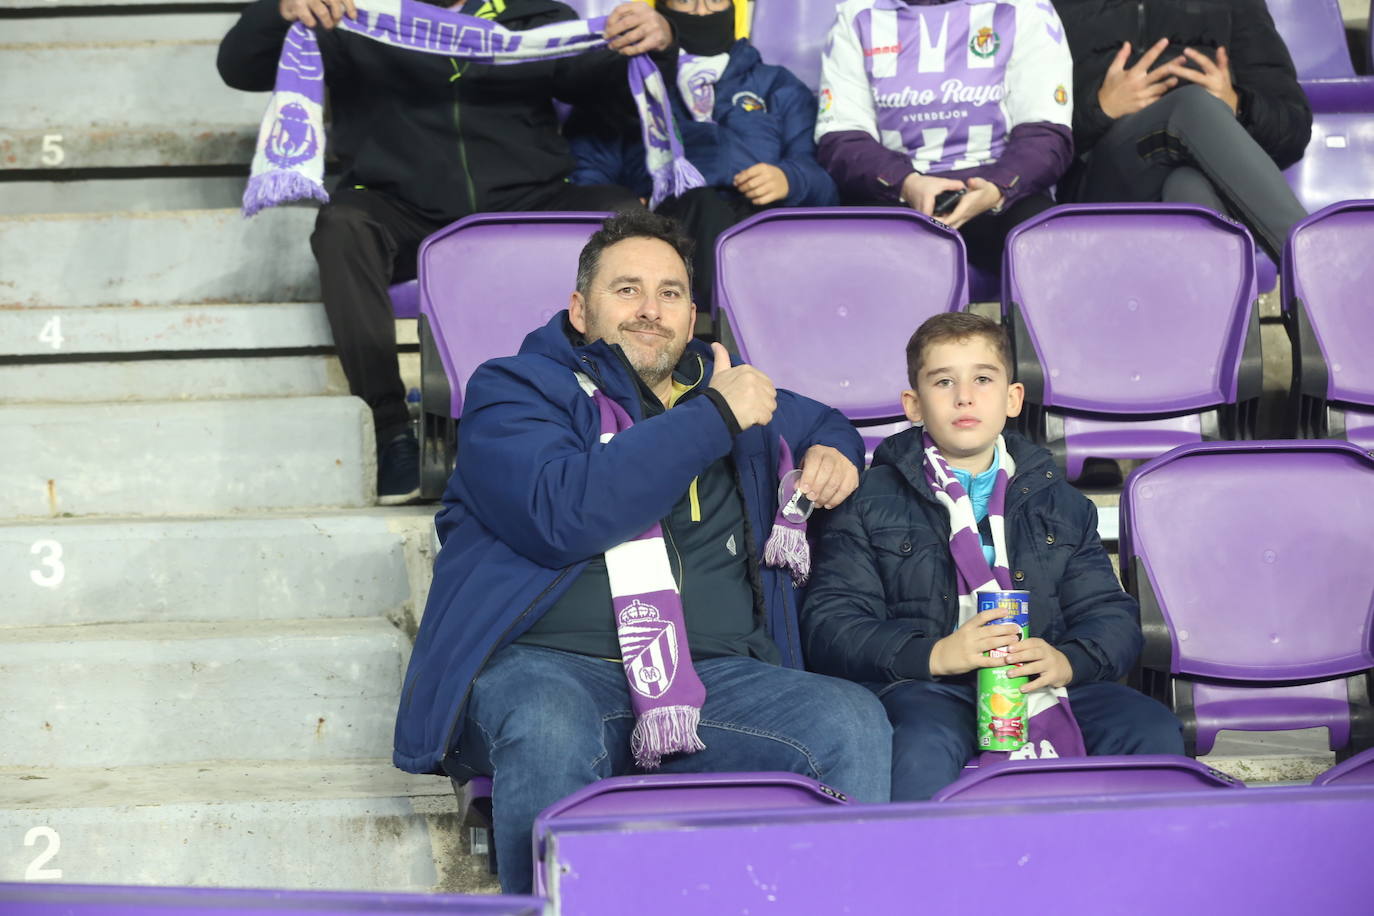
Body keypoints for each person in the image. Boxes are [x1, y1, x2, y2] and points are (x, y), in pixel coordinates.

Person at [392, 209, 892, 893]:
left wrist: (834, 446)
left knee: (850, 720)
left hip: (712, 679)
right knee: (546, 724)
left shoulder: (722, 387)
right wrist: (712, 416)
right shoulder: (515, 389)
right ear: (579, 310)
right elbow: (563, 514)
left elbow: (826, 419)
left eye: (671, 293)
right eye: (626, 290)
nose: (649, 310)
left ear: (692, 319)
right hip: (551, 669)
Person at [217, 0, 673, 504]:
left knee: (624, 220)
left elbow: (600, 79)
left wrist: (650, 38)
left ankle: (636, 406)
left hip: (525, 200)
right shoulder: (351, 10)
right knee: (343, 225)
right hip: (402, 204)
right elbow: (239, 66)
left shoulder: (529, 10)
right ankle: (390, 428)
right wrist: (281, 10)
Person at [801, 312, 1182, 801]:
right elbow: (832, 624)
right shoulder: (866, 502)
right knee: (917, 747)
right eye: (944, 382)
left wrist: (1066, 660)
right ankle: (929, 873)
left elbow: (1110, 614)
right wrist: (937, 654)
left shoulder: (1062, 504)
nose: (964, 396)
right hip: (928, 687)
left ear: (1012, 398)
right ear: (913, 405)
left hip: (1043, 686)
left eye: (983, 378)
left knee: (1150, 730)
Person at [567, 0, 838, 311]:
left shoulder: (777, 84)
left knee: (745, 221)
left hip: (761, 224)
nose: (701, 11)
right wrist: (625, 204)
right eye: (685, 1)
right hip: (664, 229)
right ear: (660, 8)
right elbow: (588, 177)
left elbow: (826, 186)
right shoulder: (626, 81)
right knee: (704, 205)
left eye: (714, 0)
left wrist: (790, 179)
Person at [814, 0, 1074, 275]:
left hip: (999, 196)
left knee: (1044, 240)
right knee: (856, 261)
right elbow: (842, 138)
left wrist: (997, 188)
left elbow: (1046, 134)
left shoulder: (1026, 8)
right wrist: (907, 184)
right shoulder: (857, 13)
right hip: (898, 197)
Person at [1052, 0, 1311, 263]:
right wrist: (1100, 108)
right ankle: (1315, 270)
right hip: (1100, 181)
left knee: (1189, 188)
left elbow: (1293, 131)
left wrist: (1238, 105)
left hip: (1202, 179)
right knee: (1189, 107)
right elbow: (1025, 129)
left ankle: (1222, 301)